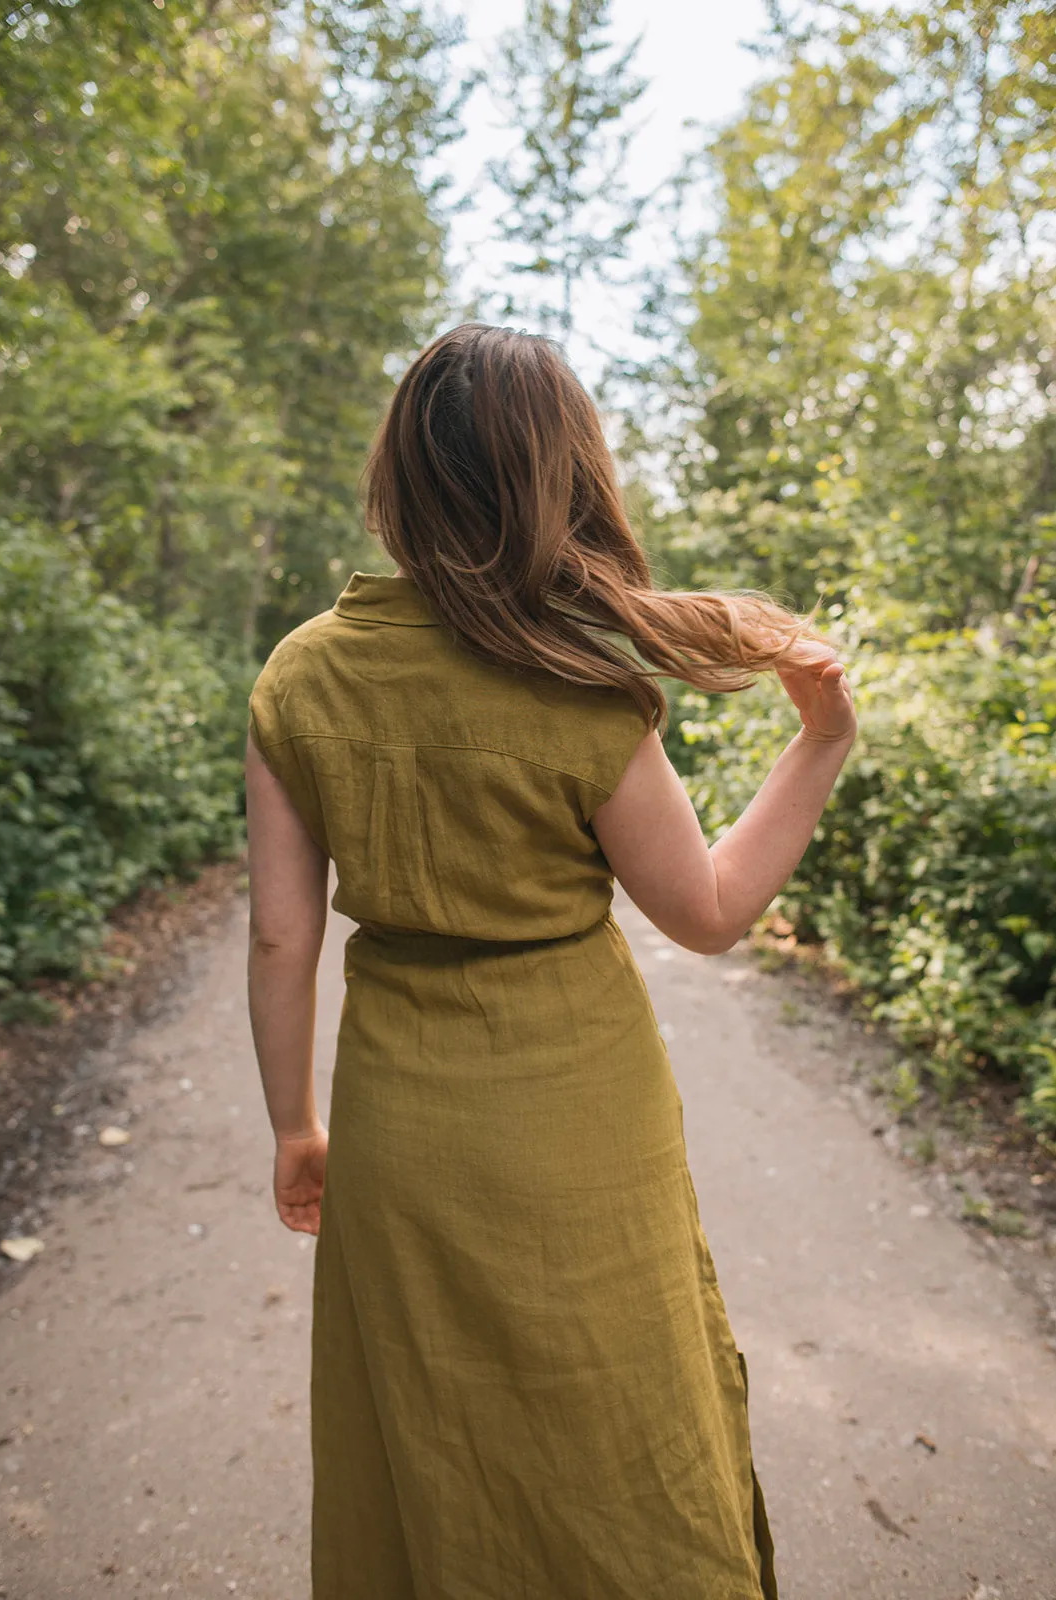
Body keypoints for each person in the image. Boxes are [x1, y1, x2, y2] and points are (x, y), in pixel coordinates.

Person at [245, 322, 856, 1600]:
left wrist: (297, 1126)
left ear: (399, 479)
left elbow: (282, 935)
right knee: (623, 1416)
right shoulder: (575, 680)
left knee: (425, 1427)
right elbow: (708, 910)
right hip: (586, 1114)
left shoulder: (301, 677)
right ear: (568, 480)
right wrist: (819, 746)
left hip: (400, 1121)